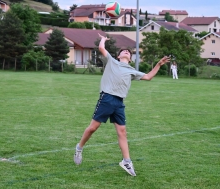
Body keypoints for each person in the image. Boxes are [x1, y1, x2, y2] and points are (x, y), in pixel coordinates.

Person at [73, 33, 170, 176]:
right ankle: (79, 148)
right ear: (118, 56)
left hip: (119, 102)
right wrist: (103, 40)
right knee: (93, 128)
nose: (126, 52)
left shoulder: (132, 71)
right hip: (107, 98)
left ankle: (126, 161)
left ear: (130, 59)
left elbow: (148, 77)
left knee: (122, 131)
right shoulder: (112, 62)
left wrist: (159, 64)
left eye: (129, 52)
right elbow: (101, 48)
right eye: (123, 51)